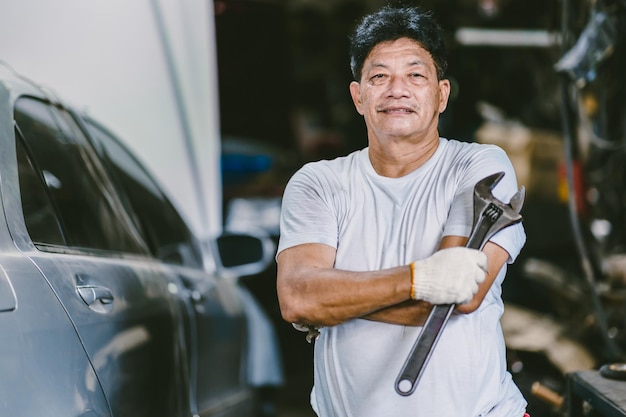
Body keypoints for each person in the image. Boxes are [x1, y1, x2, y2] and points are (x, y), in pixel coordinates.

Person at [276, 4, 528, 417]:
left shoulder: (479, 166)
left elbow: (458, 295)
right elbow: (298, 298)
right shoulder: (318, 183)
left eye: (415, 75)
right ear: (358, 97)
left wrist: (333, 306)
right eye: (379, 77)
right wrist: (422, 278)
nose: (397, 90)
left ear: (441, 94)